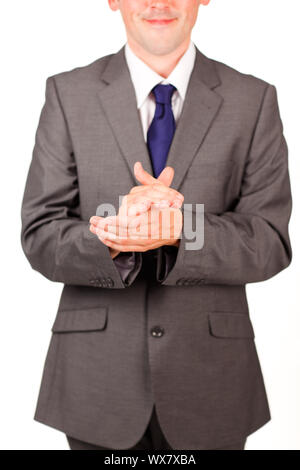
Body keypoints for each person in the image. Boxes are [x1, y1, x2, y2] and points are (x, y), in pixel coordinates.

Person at [20, 0, 292, 450]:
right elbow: (40, 231)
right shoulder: (69, 93)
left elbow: (270, 240)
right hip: (96, 384)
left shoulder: (254, 99)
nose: (157, 3)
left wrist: (182, 229)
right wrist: (113, 234)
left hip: (210, 382)